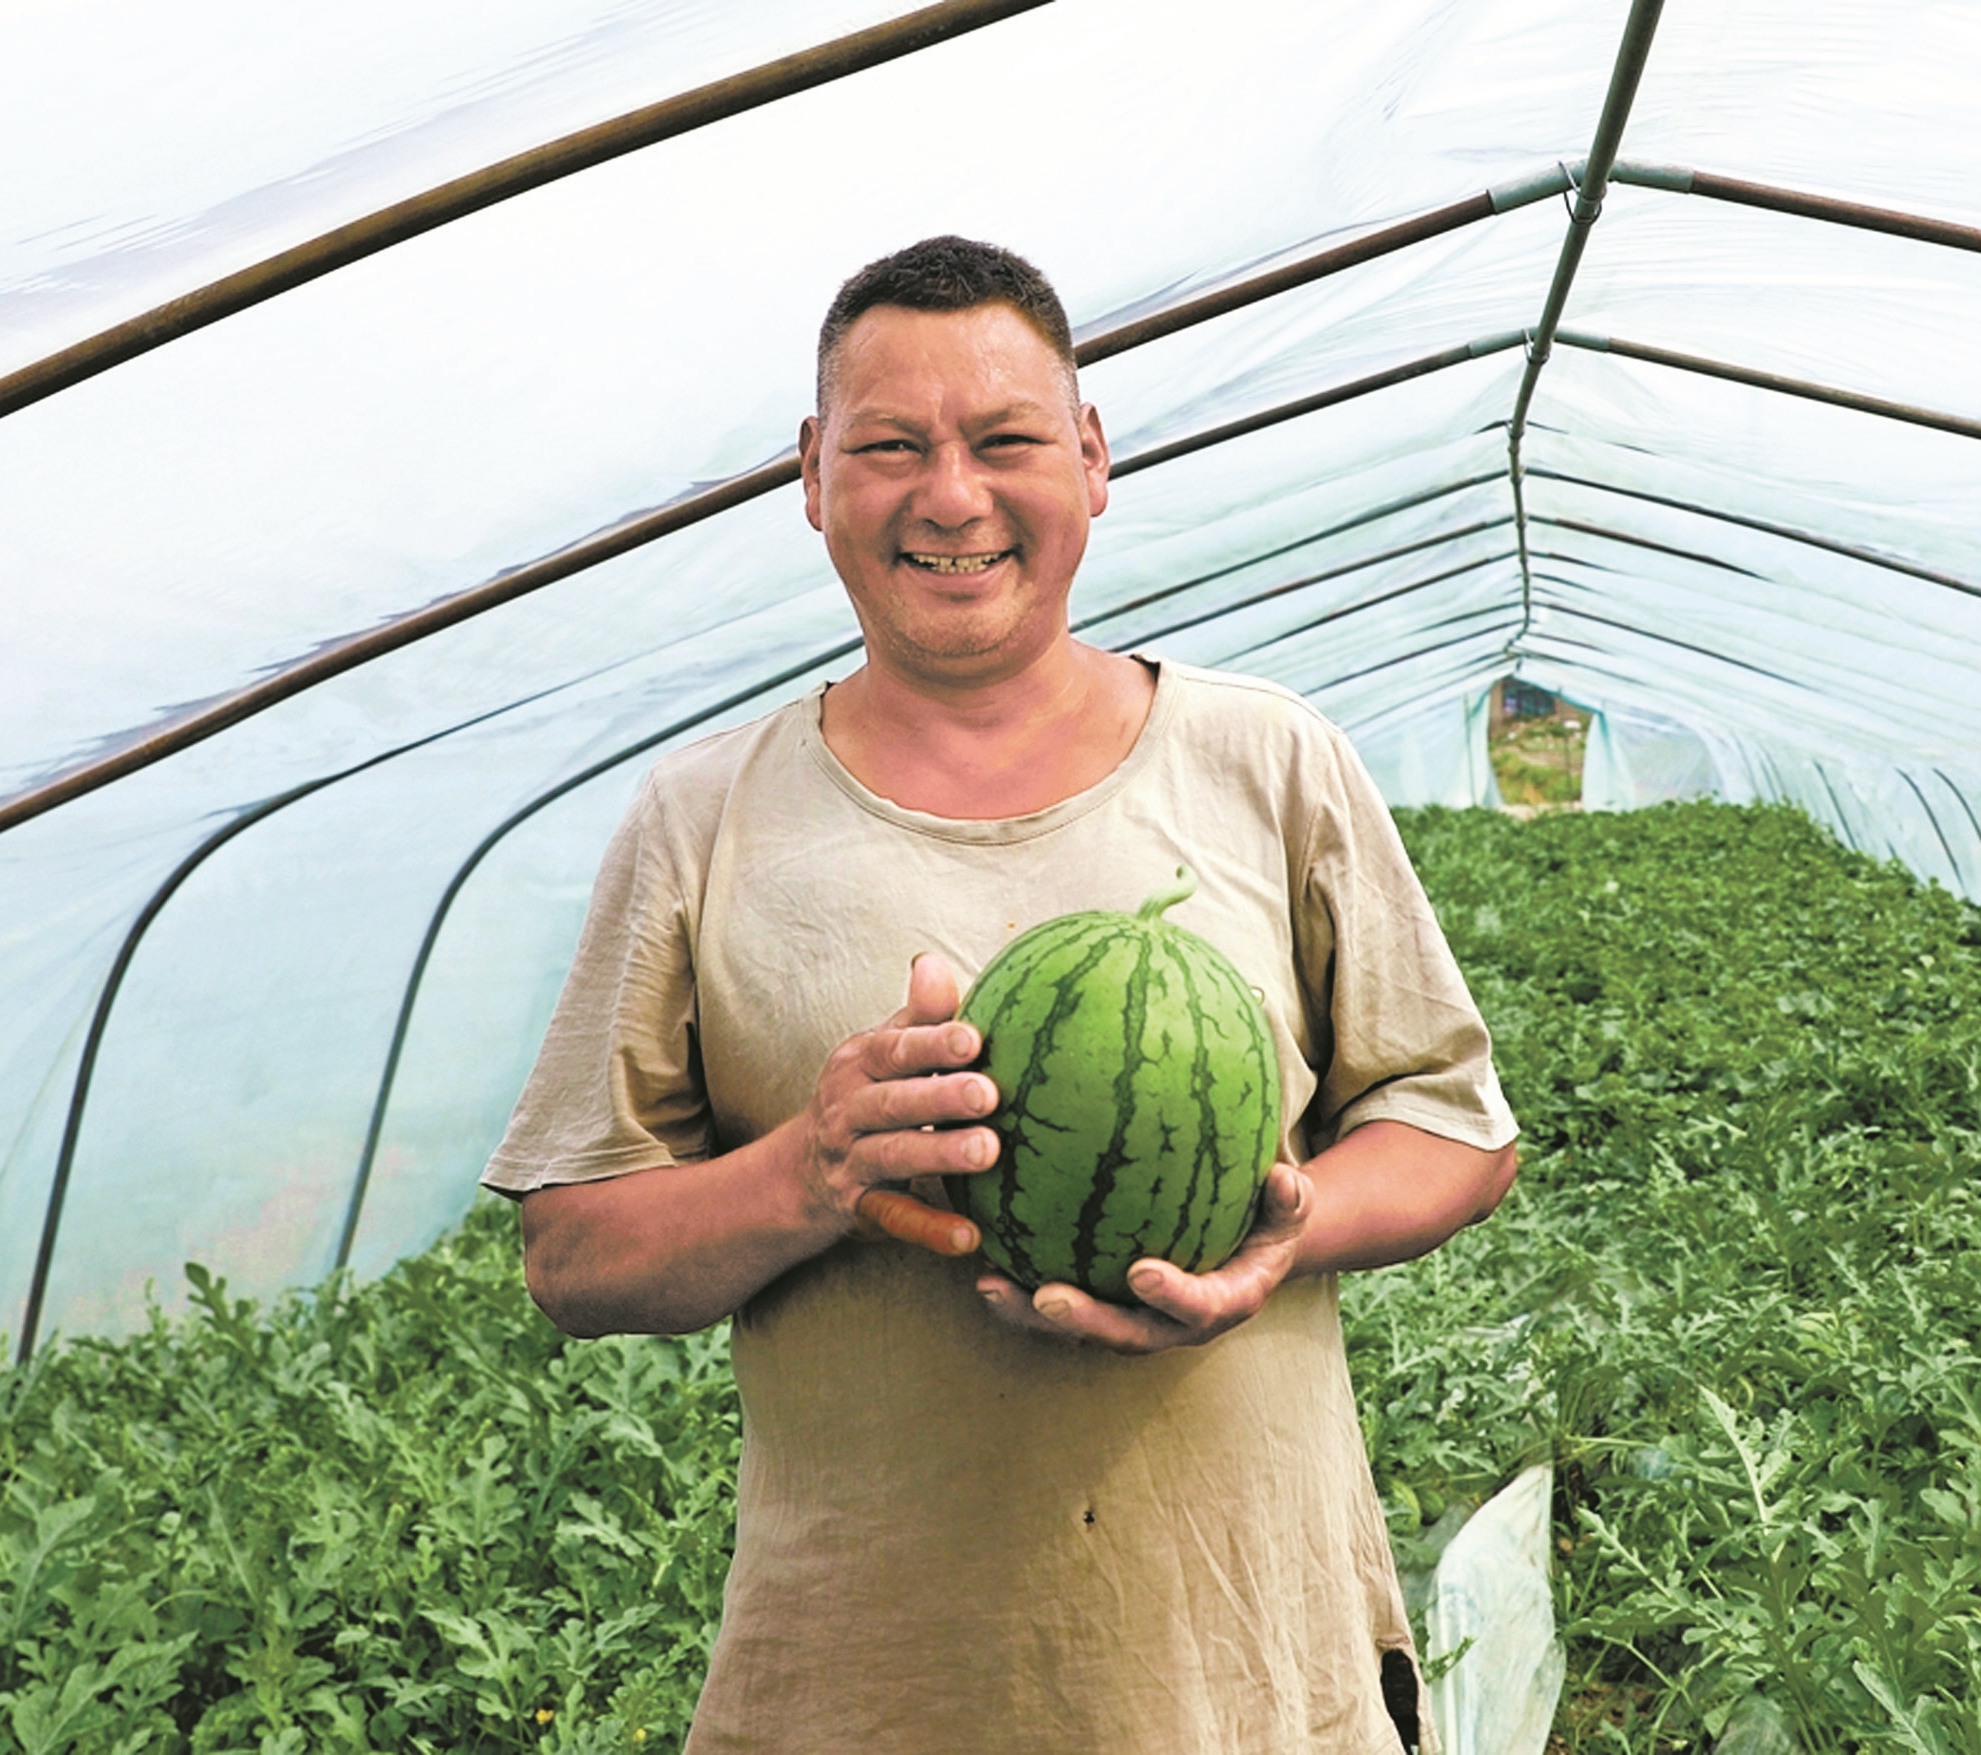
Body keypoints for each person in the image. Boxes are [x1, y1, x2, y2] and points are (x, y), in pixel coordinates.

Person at [482, 236, 1518, 1754]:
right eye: (889, 447)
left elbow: (1457, 1131)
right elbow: (572, 1251)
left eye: (1005, 440)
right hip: (864, 1691)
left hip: (1246, 1682)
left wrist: (1281, 1235)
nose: (950, 497)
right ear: (813, 474)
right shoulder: (702, 818)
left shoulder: (1268, 760)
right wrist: (811, 1172)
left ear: (1091, 458)